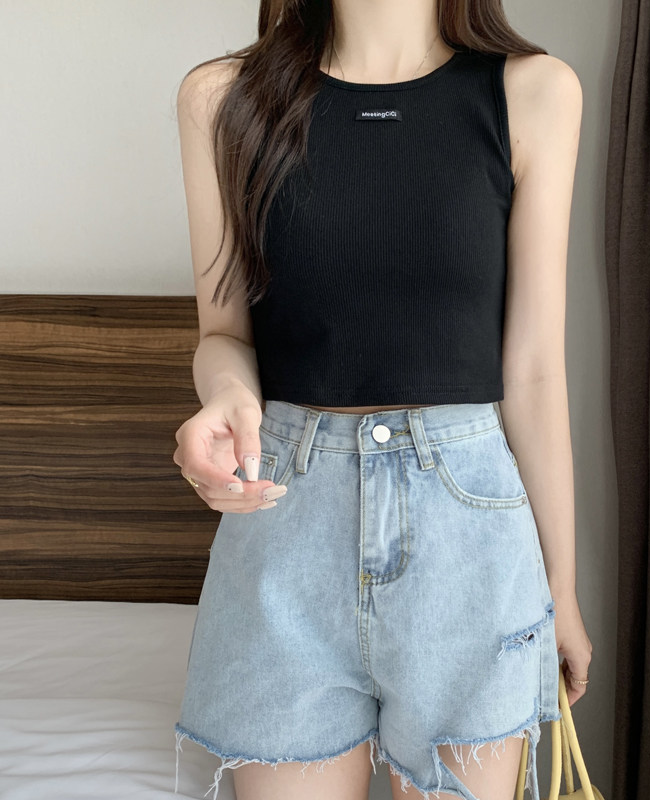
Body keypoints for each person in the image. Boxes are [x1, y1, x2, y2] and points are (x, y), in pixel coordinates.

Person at [171, 2, 591, 799]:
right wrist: (223, 397)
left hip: (470, 539)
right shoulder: (221, 99)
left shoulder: (535, 93)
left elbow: (534, 370)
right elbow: (223, 334)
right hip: (285, 528)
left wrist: (561, 592)